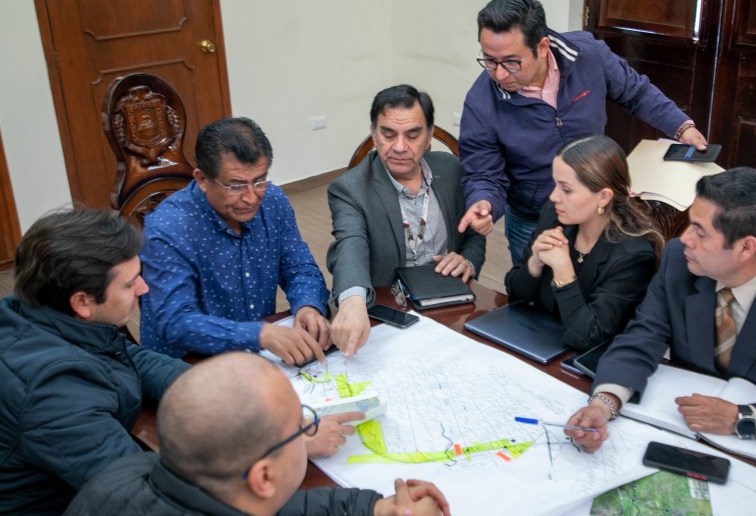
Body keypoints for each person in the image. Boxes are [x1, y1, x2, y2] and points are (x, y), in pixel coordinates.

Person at [565, 167, 756, 451]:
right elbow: (642, 336)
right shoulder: (679, 259)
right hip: (678, 430)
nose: (684, 239)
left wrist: (744, 418)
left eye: (700, 233)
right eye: (690, 223)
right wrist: (604, 402)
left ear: (745, 248)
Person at [457, 0, 708, 264]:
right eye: (489, 60)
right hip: (535, 218)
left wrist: (681, 127)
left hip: (597, 210)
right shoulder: (481, 102)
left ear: (542, 46)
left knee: (599, 280)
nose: (499, 74)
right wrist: (483, 202)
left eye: (511, 62)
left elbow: (636, 92)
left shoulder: (587, 55)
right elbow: (483, 173)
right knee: (532, 285)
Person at [66, 352, 451, 516]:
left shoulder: (127, 473)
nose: (310, 428)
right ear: (264, 476)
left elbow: (278, 508)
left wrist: (372, 508)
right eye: (300, 426)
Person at [0, 208, 190, 514]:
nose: (143, 288)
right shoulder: (52, 392)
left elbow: (123, 353)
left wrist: (206, 387)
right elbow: (140, 498)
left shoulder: (32, 307)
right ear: (82, 301)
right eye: (129, 284)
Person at [140, 116, 331, 366]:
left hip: (256, 357)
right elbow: (176, 322)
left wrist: (308, 306)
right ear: (202, 179)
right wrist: (259, 335)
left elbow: (299, 267)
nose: (251, 198)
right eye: (236, 186)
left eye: (259, 180)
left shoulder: (272, 201)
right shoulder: (169, 227)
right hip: (186, 368)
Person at [327, 85, 485, 356]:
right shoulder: (350, 189)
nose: (400, 147)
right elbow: (350, 245)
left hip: (449, 310)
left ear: (429, 136)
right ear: (374, 134)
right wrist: (352, 301)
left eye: (412, 135)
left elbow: (473, 234)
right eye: (388, 134)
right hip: (389, 316)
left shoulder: (451, 170)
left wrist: (467, 260)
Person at [505, 136, 661, 351]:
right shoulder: (554, 217)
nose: (553, 197)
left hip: (590, 361)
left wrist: (563, 273)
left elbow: (590, 337)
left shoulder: (633, 255)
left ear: (604, 197)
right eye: (555, 184)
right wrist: (534, 264)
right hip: (539, 341)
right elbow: (515, 294)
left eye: (566, 189)